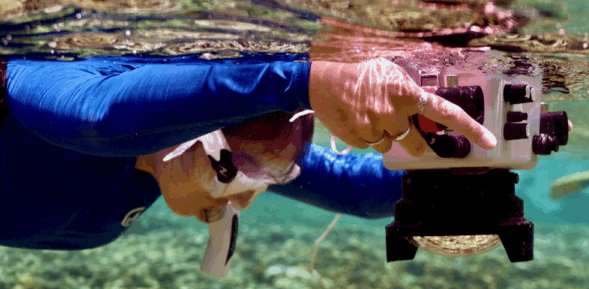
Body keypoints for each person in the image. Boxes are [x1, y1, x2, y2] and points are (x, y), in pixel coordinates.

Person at [0, 55, 498, 251]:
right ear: (181, 130)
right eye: (251, 165)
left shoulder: (198, 158)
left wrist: (476, 157)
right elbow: (100, 116)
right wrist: (311, 79)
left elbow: (357, 191)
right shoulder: (65, 83)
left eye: (276, 169)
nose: (249, 194)